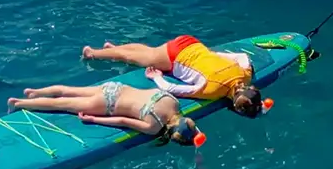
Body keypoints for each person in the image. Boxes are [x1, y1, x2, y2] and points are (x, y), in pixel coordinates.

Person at [83, 35, 266, 118]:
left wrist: (214, 56)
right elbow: (173, 89)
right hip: (176, 56)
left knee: (147, 53)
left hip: (193, 44)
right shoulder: (212, 90)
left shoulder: (245, 72)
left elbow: (242, 56)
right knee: (134, 57)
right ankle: (93, 53)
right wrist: (156, 78)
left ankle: (112, 48)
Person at [8, 82, 203, 145]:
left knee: (68, 90)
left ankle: (35, 92)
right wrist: (94, 119)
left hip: (114, 88)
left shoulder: (174, 102)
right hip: (108, 103)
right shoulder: (154, 127)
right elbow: (122, 121)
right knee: (63, 104)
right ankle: (20, 103)